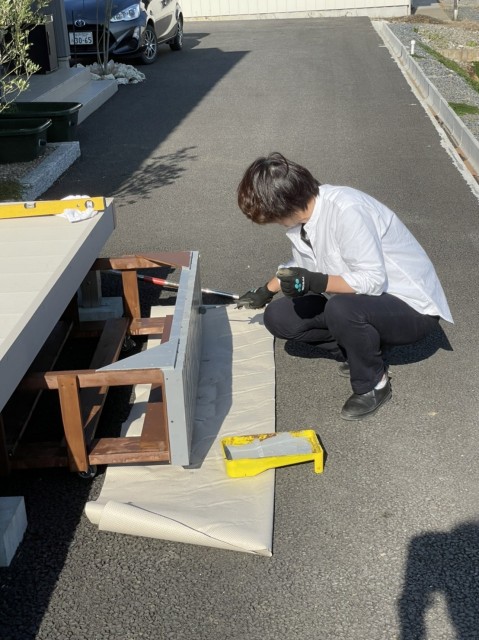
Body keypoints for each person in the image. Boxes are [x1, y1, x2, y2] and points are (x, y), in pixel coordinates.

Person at [236, 152, 453, 420]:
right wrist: (266, 291)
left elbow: (372, 280)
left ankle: (373, 384)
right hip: (366, 304)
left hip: (410, 308)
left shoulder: (347, 210)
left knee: (341, 309)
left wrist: (313, 281)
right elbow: (301, 262)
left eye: (270, 217)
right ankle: (360, 352)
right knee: (279, 317)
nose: (273, 223)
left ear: (283, 205)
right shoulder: (304, 221)